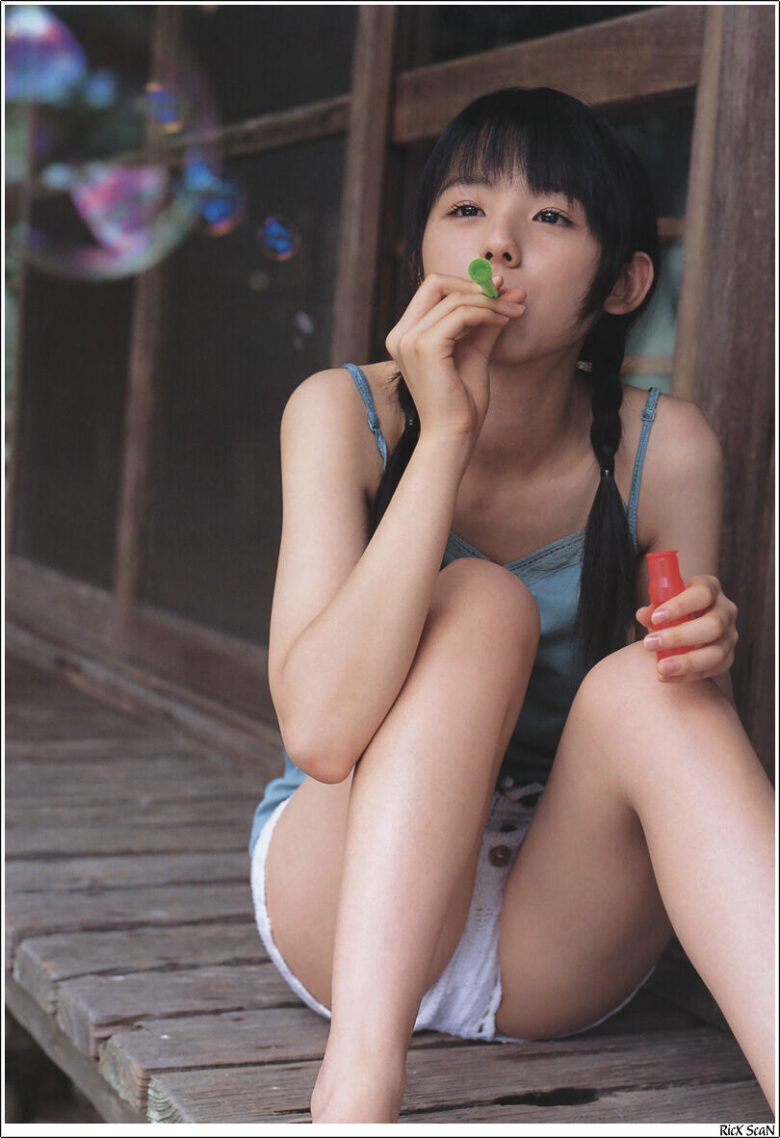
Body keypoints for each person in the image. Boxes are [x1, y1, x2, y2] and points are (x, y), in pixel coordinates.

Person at [247, 88, 775, 1122]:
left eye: (550, 216)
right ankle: (356, 1092)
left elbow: (672, 743)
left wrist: (698, 647)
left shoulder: (667, 450)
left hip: (551, 929)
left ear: (623, 284)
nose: (499, 242)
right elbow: (318, 731)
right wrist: (445, 433)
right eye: (466, 209)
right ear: (424, 252)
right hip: (340, 902)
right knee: (481, 604)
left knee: (658, 691)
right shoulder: (339, 414)